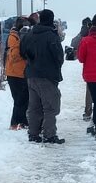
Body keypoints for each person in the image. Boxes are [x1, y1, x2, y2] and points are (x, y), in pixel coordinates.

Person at [19, 9, 66, 144]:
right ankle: (49, 135)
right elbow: (58, 57)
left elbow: (22, 51)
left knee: (34, 107)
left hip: (31, 75)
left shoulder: (30, 33)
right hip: (47, 76)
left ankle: (33, 134)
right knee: (51, 107)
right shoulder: (51, 36)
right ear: (51, 20)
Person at [5, 16, 29, 130]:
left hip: (18, 72)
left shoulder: (16, 37)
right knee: (20, 100)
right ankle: (14, 123)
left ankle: (23, 122)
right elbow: (14, 55)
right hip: (15, 73)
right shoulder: (14, 38)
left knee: (23, 99)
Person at [70, 17, 92, 120]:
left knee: (89, 91)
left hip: (90, 68)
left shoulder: (85, 36)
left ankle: (88, 113)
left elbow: (74, 43)